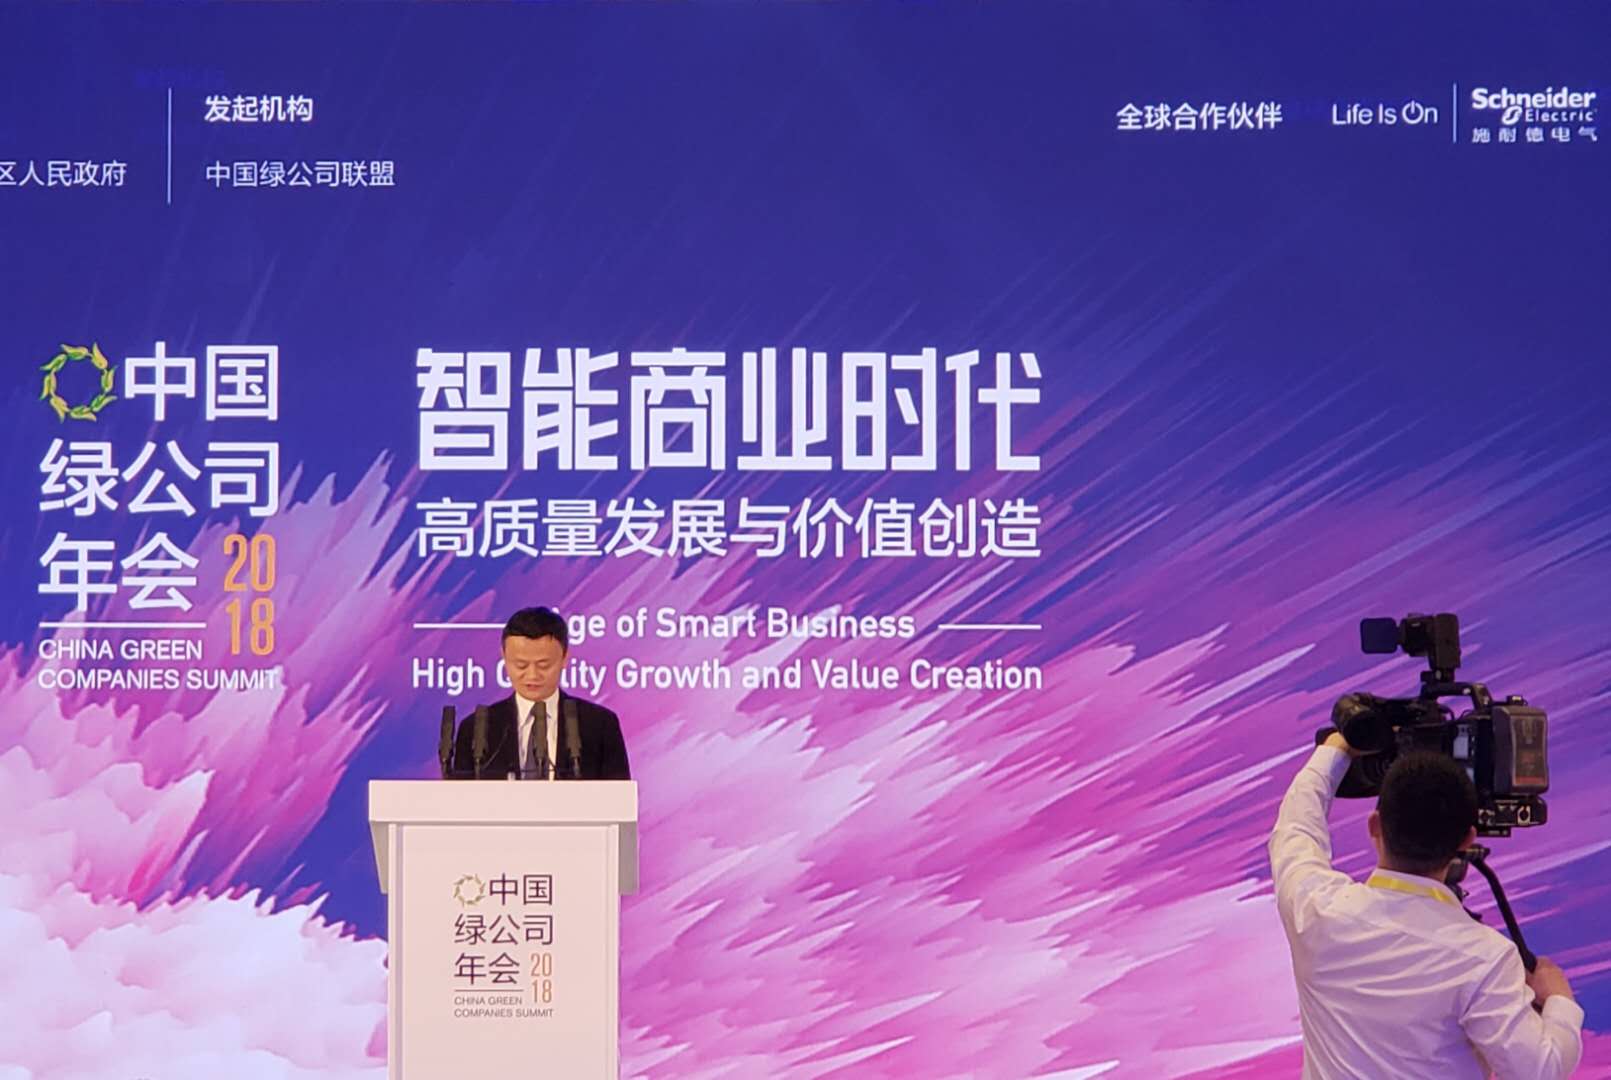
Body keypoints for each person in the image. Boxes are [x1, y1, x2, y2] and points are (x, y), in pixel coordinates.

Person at [1269, 727, 1582, 1078]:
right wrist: (1558, 999)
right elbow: (1539, 1070)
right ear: (1467, 839)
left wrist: (1336, 748)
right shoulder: (1486, 958)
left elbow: (1295, 828)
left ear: (1374, 826)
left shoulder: (1318, 910)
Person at [452, 606, 630, 780]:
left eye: (544, 665)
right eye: (521, 665)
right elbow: (460, 798)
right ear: (504, 658)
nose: (532, 675)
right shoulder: (477, 730)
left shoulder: (599, 725)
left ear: (565, 658)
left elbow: (619, 796)